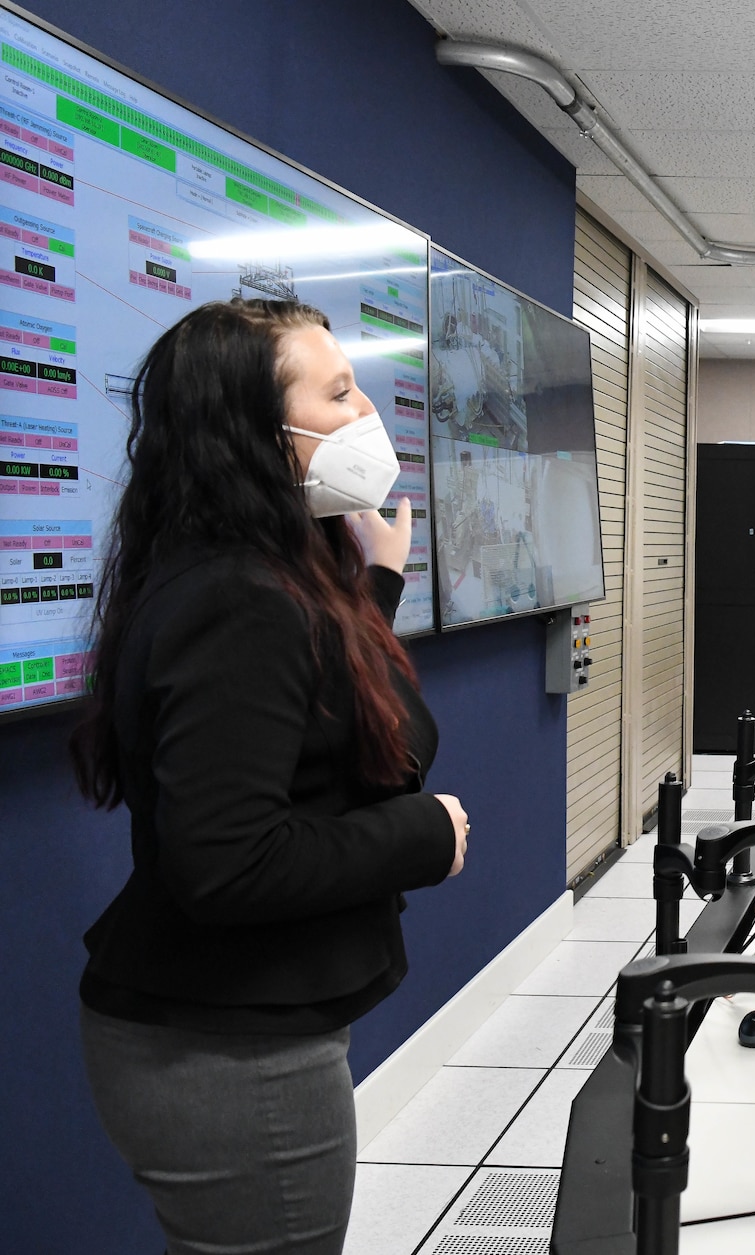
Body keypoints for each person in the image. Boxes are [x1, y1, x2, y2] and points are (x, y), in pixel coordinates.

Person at [70, 299, 471, 1252]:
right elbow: (227, 860)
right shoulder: (238, 600)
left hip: (236, 1029)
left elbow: (363, 737)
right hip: (224, 1050)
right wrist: (426, 836)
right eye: (337, 393)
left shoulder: (263, 576)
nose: (366, 410)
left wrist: (375, 583)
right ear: (258, 432)